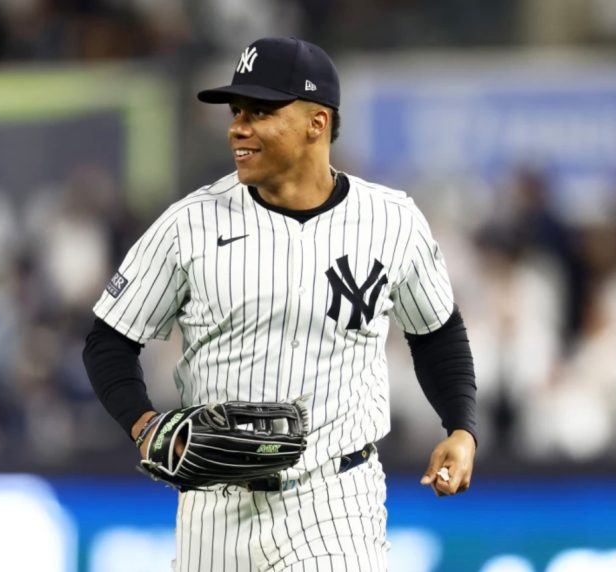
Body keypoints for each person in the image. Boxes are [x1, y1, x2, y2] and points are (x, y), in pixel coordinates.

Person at [83, 36, 478, 572]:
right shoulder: (189, 224)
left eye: (261, 111)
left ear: (318, 123)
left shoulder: (392, 221)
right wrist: (145, 424)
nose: (238, 127)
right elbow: (109, 339)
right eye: (236, 111)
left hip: (334, 495)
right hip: (214, 505)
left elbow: (436, 333)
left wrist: (460, 426)